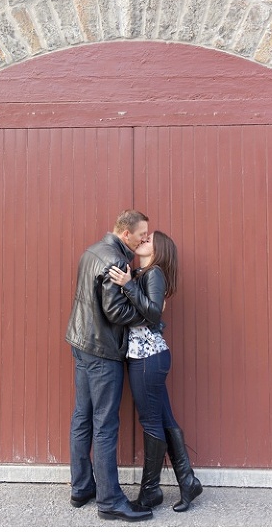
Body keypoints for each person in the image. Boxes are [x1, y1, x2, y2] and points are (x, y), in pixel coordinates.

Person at [65, 210, 153, 522]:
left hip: (81, 343)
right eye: (142, 233)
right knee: (104, 423)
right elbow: (115, 312)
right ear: (125, 233)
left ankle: (82, 488)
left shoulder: (92, 250)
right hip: (102, 351)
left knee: (83, 416)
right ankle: (110, 501)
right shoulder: (115, 261)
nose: (145, 238)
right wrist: (148, 317)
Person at [109, 231, 203, 512]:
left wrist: (127, 285)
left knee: (151, 423)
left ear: (159, 249)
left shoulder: (154, 274)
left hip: (147, 358)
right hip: (150, 356)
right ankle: (187, 481)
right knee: (163, 419)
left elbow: (153, 314)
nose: (142, 241)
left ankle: (150, 492)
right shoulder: (146, 273)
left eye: (148, 239)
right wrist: (131, 280)